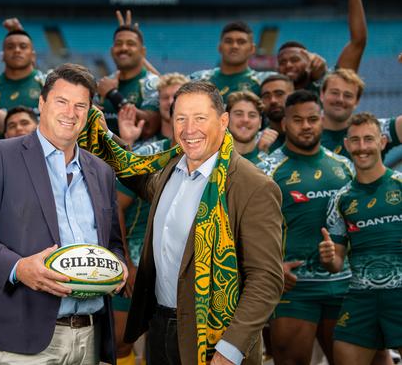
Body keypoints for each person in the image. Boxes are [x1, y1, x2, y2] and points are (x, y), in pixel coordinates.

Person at [0, 63, 127, 364]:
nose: (70, 113)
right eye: (61, 101)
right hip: (25, 337)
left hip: (90, 335)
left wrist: (118, 266)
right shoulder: (1, 156)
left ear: (89, 112)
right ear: (42, 103)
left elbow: (112, 243)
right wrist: (18, 268)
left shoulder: (101, 170)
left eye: (80, 105)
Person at [120, 81, 283, 365]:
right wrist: (98, 135)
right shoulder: (171, 168)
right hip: (159, 327)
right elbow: (136, 173)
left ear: (223, 121)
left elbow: (265, 280)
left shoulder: (253, 186)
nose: (188, 128)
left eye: (199, 118)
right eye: (180, 118)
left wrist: (229, 351)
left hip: (215, 342)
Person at [257, 90, 354, 365]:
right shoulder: (266, 170)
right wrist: (272, 268)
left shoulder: (345, 167)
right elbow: (246, 229)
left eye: (312, 118)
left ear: (322, 119)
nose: (306, 126)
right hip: (295, 287)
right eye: (297, 120)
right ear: (284, 123)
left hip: (343, 285)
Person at [320, 112, 402, 364]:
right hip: (361, 298)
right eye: (355, 141)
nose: (362, 147)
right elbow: (335, 265)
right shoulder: (341, 198)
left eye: (369, 139)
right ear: (347, 145)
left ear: (382, 141)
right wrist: (329, 258)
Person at [277, 0, 367, 93]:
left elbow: (358, 41)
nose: (288, 65)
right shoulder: (271, 96)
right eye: (282, 62)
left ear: (309, 63)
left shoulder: (328, 89)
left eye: (295, 60)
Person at [319, 69, 401, 158]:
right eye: (334, 93)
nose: (340, 99)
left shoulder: (374, 129)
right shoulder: (306, 133)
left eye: (348, 95)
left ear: (357, 101)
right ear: (322, 94)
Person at [97, 25, 160, 140]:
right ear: (112, 51)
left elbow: (148, 128)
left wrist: (113, 95)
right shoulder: (103, 84)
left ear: (143, 51)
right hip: (102, 156)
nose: (124, 48)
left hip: (138, 155)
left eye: (131, 43)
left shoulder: (152, 83)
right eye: (118, 43)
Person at [188, 21, 276, 101]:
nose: (234, 46)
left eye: (241, 42)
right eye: (228, 41)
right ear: (219, 47)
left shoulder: (264, 82)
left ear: (252, 49)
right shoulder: (198, 80)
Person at [225, 91, 270, 165]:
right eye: (238, 114)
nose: (245, 120)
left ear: (260, 122)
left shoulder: (270, 165)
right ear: (226, 119)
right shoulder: (212, 161)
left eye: (252, 115)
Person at [259, 74, 295, 152]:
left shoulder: (310, 136)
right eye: (266, 96)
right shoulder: (256, 143)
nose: (273, 101)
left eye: (279, 94)